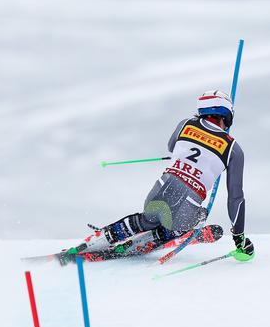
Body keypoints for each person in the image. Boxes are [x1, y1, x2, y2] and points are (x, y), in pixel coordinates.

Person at [85, 89, 253, 259]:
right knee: (197, 216)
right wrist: (239, 239)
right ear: (227, 115)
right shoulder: (234, 149)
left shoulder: (185, 124)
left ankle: (104, 237)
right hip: (185, 210)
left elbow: (172, 148)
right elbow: (235, 198)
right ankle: (158, 237)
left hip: (156, 193)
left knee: (147, 219)